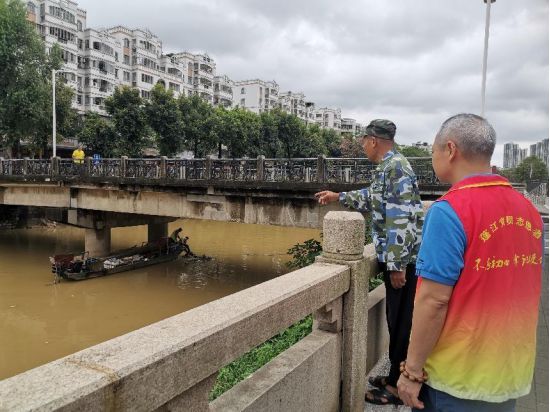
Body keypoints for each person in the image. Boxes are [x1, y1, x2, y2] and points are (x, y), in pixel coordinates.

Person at [397, 114, 543, 411]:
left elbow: (434, 301)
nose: (433, 157)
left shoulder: (449, 211)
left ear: (450, 150)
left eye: (433, 151)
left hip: (455, 380)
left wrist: (412, 371)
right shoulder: (529, 211)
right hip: (509, 374)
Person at [315, 119, 424, 406]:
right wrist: (338, 196)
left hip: (401, 261)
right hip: (398, 258)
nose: (362, 146)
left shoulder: (396, 166)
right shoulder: (390, 166)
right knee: (396, 319)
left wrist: (397, 265)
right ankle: (392, 375)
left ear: (373, 140)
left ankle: (394, 389)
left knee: (401, 323)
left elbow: (401, 217)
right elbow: (374, 198)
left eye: (363, 141)